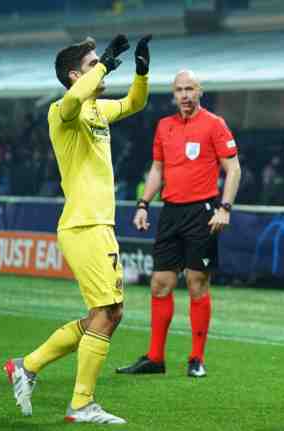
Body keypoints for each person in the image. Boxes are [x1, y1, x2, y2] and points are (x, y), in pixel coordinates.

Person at [4, 33, 151, 424]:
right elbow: (72, 101)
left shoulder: (98, 110)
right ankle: (81, 404)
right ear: (74, 75)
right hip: (84, 224)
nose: (101, 68)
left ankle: (26, 365)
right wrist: (104, 66)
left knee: (104, 314)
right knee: (109, 312)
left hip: (98, 223)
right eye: (91, 65)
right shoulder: (62, 111)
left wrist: (141, 73)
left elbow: (135, 103)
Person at [116, 70, 241, 378]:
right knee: (160, 283)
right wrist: (143, 204)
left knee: (197, 283)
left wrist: (225, 208)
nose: (184, 95)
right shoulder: (164, 126)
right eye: (179, 90)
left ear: (200, 91)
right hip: (170, 212)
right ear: (173, 95)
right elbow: (157, 169)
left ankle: (196, 358)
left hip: (202, 212)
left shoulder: (215, 124)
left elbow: (234, 169)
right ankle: (155, 358)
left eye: (189, 89)